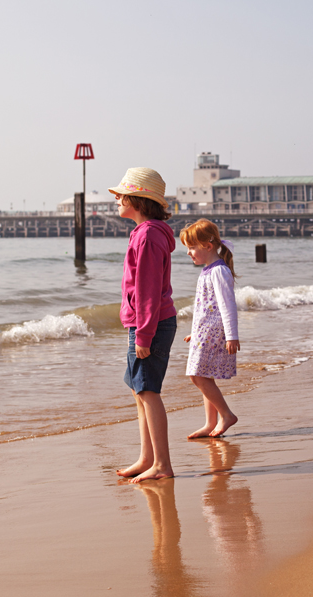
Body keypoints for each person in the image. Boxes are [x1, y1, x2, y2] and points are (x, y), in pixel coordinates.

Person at [111, 167, 178, 482]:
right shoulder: (144, 232)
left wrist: (144, 335)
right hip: (144, 323)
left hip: (150, 324)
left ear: (136, 200)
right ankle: (147, 457)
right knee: (140, 391)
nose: (117, 200)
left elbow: (149, 289)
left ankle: (162, 464)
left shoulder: (149, 235)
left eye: (121, 195)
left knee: (148, 391)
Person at [179, 219, 240, 438]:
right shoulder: (207, 270)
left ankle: (226, 415)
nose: (188, 252)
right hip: (205, 332)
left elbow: (227, 305)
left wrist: (232, 336)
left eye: (192, 247)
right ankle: (210, 422)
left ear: (208, 245)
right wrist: (194, 332)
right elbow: (204, 308)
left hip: (215, 332)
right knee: (204, 374)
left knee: (197, 375)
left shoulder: (218, 271)